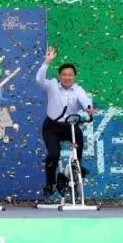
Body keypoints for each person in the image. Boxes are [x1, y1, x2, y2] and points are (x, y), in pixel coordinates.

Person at [36, 48, 97, 197]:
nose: (67, 77)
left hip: (70, 126)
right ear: (59, 76)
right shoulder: (52, 85)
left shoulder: (78, 89)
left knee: (79, 140)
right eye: (64, 74)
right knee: (53, 155)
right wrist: (47, 62)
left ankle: (77, 166)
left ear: (74, 76)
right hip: (52, 127)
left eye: (70, 75)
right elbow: (39, 79)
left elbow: (85, 101)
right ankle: (50, 183)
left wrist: (88, 109)